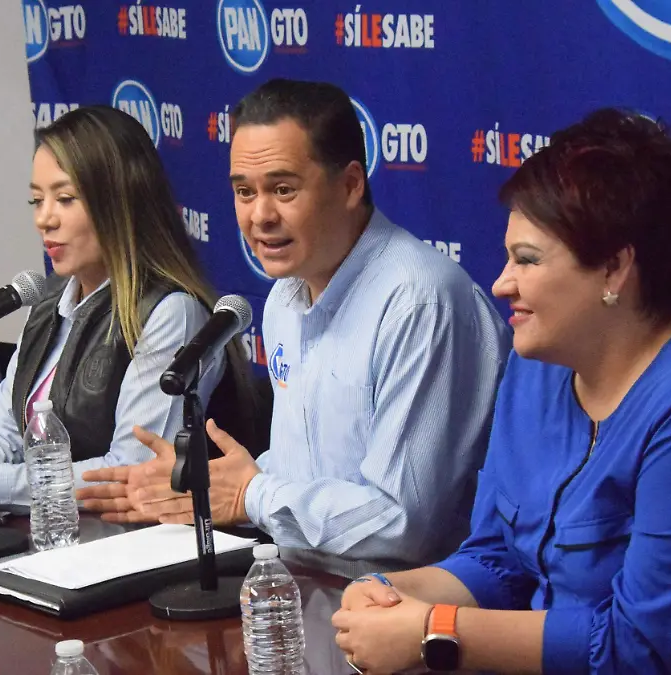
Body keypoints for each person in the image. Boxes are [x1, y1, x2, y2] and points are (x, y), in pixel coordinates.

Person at [331, 109, 671, 675]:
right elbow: (501, 560)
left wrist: (431, 631)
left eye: (527, 260)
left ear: (613, 269)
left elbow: (634, 648)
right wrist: (392, 591)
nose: (502, 283)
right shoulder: (537, 363)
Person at [78, 79, 510, 567]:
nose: (260, 215)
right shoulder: (285, 297)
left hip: (407, 600)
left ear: (350, 185)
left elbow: (402, 523)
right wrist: (208, 485)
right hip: (298, 579)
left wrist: (250, 494)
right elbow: (301, 477)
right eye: (244, 192)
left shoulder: (419, 302)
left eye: (283, 189)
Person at [0, 106, 252, 526]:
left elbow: (129, 471)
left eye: (65, 199)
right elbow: (5, 433)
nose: (44, 219)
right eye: (37, 200)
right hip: (56, 531)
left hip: (134, 542)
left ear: (122, 201)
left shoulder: (170, 312)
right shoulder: (48, 300)